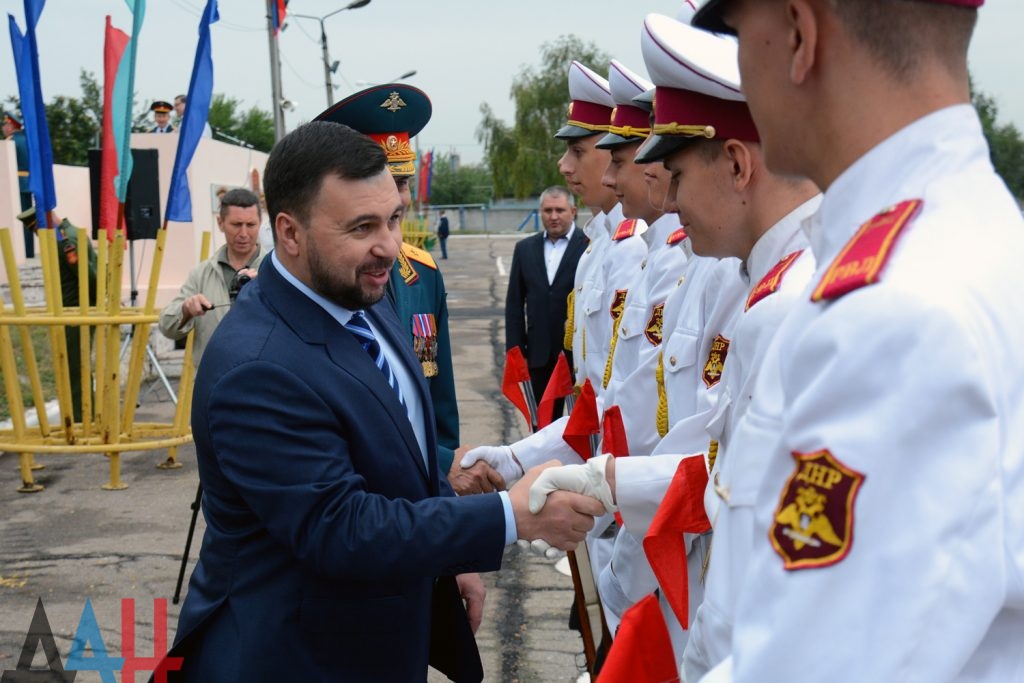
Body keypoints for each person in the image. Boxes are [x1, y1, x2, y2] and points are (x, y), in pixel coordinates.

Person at [166, 121, 604, 681]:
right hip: (300, 656)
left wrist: (449, 565)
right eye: (362, 227)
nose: (389, 246)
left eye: (394, 218)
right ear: (290, 233)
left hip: (382, 630)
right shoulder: (257, 366)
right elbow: (342, 528)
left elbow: (398, 448)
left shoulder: (360, 296)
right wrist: (507, 517)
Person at [685, 0, 1024, 680]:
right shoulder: (974, 239)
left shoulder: (899, 316)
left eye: (738, 34)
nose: (742, 74)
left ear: (800, 37)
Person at [315, 84, 497, 495]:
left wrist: (446, 471)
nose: (396, 197)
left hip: (426, 481)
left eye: (403, 182)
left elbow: (439, 393)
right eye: (382, 181)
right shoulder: (329, 277)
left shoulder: (423, 273)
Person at [158, 188, 264, 368]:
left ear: (260, 223)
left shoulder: (276, 271)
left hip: (264, 382)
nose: (244, 233)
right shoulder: (201, 274)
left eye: (251, 225)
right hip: (213, 382)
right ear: (220, 223)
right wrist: (186, 310)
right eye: (236, 225)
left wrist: (266, 289)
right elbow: (166, 326)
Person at [505, 186, 587, 412]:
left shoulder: (589, 246)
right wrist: (514, 349)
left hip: (576, 358)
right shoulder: (524, 249)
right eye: (547, 210)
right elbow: (514, 303)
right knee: (541, 423)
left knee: (576, 426)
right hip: (537, 355)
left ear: (573, 211)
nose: (553, 216)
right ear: (540, 212)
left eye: (559, 210)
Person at [16, 208, 97, 421]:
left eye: (38, 229)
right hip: (72, 313)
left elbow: (89, 278)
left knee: (76, 368)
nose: (39, 235)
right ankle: (81, 417)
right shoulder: (66, 237)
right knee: (74, 367)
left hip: (76, 313)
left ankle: (83, 420)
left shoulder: (65, 241)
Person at [4, 112, 33, 256]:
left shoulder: (10, 141)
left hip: (17, 185)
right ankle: (29, 251)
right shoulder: (27, 140)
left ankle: (23, 253)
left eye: (5, 124)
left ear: (11, 126)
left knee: (20, 219)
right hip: (29, 183)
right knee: (29, 220)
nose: (4, 127)